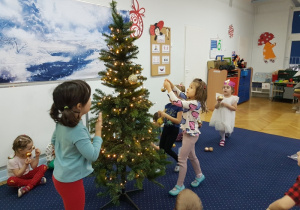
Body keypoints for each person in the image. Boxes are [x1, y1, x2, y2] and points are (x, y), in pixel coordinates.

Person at [50, 80, 103, 210]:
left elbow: (53, 141)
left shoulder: (62, 121)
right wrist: (98, 131)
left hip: (59, 176)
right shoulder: (77, 129)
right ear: (79, 106)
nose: (91, 100)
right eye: (89, 98)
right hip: (70, 182)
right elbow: (93, 155)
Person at [163, 78, 207, 196]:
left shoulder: (194, 103)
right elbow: (181, 94)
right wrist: (172, 86)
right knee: (192, 156)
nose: (188, 88)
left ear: (197, 93)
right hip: (189, 134)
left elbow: (178, 102)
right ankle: (199, 175)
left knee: (182, 159)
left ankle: (180, 185)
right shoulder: (191, 100)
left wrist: (168, 89)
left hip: (191, 135)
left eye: (191, 87)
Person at [159, 84, 184, 172]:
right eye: (170, 95)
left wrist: (166, 115)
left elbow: (178, 121)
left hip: (173, 130)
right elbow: (163, 118)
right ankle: (161, 164)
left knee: (167, 148)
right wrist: (160, 117)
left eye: (173, 95)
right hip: (166, 128)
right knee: (161, 147)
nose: (171, 97)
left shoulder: (179, 107)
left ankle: (179, 162)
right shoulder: (167, 105)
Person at [209, 79, 239, 147]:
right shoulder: (220, 97)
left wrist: (227, 105)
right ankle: (222, 138)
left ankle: (227, 133)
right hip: (220, 115)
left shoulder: (233, 98)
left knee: (228, 127)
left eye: (227, 87)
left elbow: (234, 108)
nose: (225, 88)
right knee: (221, 127)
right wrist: (219, 103)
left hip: (228, 115)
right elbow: (215, 107)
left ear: (232, 90)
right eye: (224, 87)